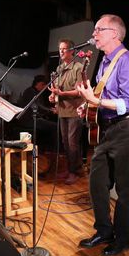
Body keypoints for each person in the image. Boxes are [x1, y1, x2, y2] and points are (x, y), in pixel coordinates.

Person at [76, 14, 129, 256]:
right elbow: (104, 97)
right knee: (97, 183)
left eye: (99, 29)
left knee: (125, 188)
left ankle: (123, 238)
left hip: (128, 128)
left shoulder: (128, 61)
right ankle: (104, 231)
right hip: (107, 129)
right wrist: (88, 105)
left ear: (114, 33)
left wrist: (96, 101)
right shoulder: (106, 61)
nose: (94, 34)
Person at [49, 38, 85, 185]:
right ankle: (74, 168)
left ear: (72, 51)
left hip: (75, 111)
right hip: (62, 111)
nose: (61, 51)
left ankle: (73, 172)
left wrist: (62, 93)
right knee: (65, 142)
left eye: (64, 49)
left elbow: (79, 91)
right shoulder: (59, 69)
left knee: (72, 143)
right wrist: (53, 95)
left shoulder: (78, 67)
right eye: (60, 49)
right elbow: (57, 89)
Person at [16, 75, 57, 147]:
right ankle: (52, 148)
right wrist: (50, 110)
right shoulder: (30, 92)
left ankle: (46, 146)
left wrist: (49, 109)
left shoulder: (35, 91)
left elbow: (41, 106)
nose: (44, 87)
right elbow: (37, 106)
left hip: (33, 118)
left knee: (51, 123)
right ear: (38, 83)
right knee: (55, 126)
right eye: (43, 85)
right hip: (28, 120)